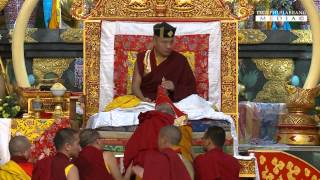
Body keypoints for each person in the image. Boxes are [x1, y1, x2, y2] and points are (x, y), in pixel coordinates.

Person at [124, 86, 192, 169]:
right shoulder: (176, 122)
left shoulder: (147, 121)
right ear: (172, 113)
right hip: (172, 163)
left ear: (156, 110)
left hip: (145, 165)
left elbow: (132, 147)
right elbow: (185, 120)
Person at [132, 22, 197, 102]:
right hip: (145, 102)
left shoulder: (180, 60)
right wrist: (143, 100)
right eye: (164, 42)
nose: (169, 46)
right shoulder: (143, 58)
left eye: (171, 42)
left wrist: (174, 87)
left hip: (172, 103)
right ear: (154, 40)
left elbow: (191, 89)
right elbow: (135, 86)